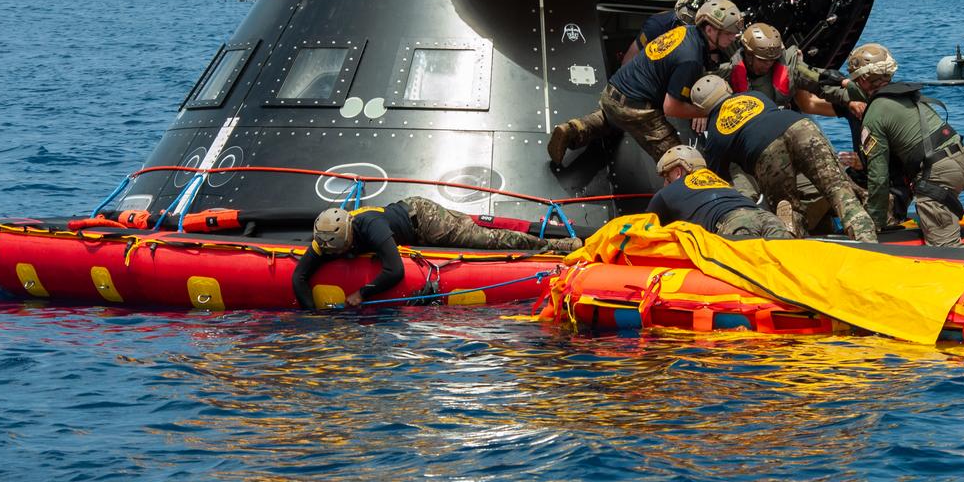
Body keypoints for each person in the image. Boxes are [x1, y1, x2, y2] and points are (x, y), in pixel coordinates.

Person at [548, 0, 744, 167]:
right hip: (638, 110)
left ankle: (574, 129)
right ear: (709, 29)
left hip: (612, 93)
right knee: (682, 161)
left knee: (612, 120)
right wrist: (708, 110)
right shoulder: (691, 59)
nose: (733, 37)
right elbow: (671, 108)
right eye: (728, 33)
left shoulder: (684, 32)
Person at [688, 75, 880, 242]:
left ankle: (798, 248)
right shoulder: (755, 95)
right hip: (800, 126)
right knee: (839, 190)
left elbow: (719, 181)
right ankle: (868, 242)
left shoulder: (714, 134)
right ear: (727, 88)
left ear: (700, 109)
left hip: (766, 150)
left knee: (787, 207)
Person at [293, 197, 578, 309]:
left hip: (424, 221)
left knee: (485, 239)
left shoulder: (370, 226)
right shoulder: (327, 238)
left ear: (347, 238)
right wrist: (314, 315)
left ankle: (556, 246)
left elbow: (395, 271)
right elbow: (300, 277)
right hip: (408, 221)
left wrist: (361, 294)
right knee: (479, 235)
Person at [846, 43, 964, 246]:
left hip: (939, 174)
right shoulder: (902, 93)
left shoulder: (874, 115)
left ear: (863, 79)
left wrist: (875, 223)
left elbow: (878, 177)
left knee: (946, 249)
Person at [648, 145, 792, 240]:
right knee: (786, 260)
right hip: (763, 215)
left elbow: (644, 227)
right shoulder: (718, 181)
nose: (664, 184)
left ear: (678, 172)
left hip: (734, 223)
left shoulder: (668, 192)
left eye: (666, 177)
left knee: (748, 275)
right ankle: (788, 231)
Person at [727, 21, 859, 119]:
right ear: (749, 55)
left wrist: (851, 98)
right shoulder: (728, 71)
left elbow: (820, 81)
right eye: (762, 60)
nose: (768, 64)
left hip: (779, 121)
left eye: (772, 60)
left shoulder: (790, 67)